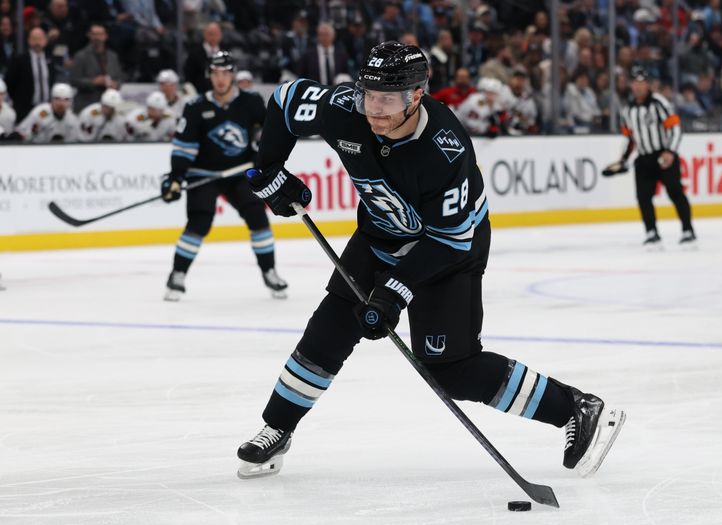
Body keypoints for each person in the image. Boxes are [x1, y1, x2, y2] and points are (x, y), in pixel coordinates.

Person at [236, 42, 626, 480]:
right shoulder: (345, 109)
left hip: (448, 251)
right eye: (369, 95)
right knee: (328, 330)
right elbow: (287, 99)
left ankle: (575, 407)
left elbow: (449, 241)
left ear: (416, 96)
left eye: (387, 100)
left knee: (452, 369)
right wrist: (269, 169)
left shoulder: (445, 149)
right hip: (379, 236)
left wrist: (393, 292)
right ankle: (277, 428)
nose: (374, 109)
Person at [161, 51, 288, 301]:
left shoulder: (251, 102)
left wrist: (261, 156)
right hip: (203, 173)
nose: (221, 79)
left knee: (257, 216)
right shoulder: (195, 107)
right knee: (199, 221)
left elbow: (267, 135)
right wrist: (175, 177)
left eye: (226, 73)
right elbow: (183, 148)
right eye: (216, 73)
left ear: (233, 75)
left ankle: (269, 271)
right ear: (209, 75)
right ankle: (177, 274)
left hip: (239, 172)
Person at [615, 66, 695, 248]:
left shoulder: (659, 103)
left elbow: (675, 128)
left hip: (663, 156)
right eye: (635, 83)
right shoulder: (628, 109)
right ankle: (651, 232)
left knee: (675, 192)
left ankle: (688, 230)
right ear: (631, 85)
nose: (638, 87)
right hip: (644, 158)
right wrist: (623, 159)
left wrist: (670, 152)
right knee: (643, 197)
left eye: (642, 83)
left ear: (648, 85)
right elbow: (629, 138)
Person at [69, 23, 123, 112]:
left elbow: (119, 78)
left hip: (109, 104)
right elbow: (74, 80)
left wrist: (116, 84)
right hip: (87, 103)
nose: (97, 37)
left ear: (106, 36)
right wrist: (94, 82)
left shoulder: (112, 56)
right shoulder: (81, 56)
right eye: (94, 34)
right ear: (89, 35)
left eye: (100, 34)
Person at [4, 27, 54, 122]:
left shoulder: (51, 60)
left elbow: (52, 82)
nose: (37, 42)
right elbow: (9, 83)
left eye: (40, 39)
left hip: (46, 108)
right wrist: (19, 100)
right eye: (34, 39)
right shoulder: (19, 60)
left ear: (45, 41)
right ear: (29, 41)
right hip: (25, 109)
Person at [14, 82, 79, 142]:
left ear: (71, 102)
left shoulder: (72, 120)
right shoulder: (42, 113)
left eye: (66, 100)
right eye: (57, 99)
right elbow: (21, 133)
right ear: (52, 100)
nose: (61, 104)